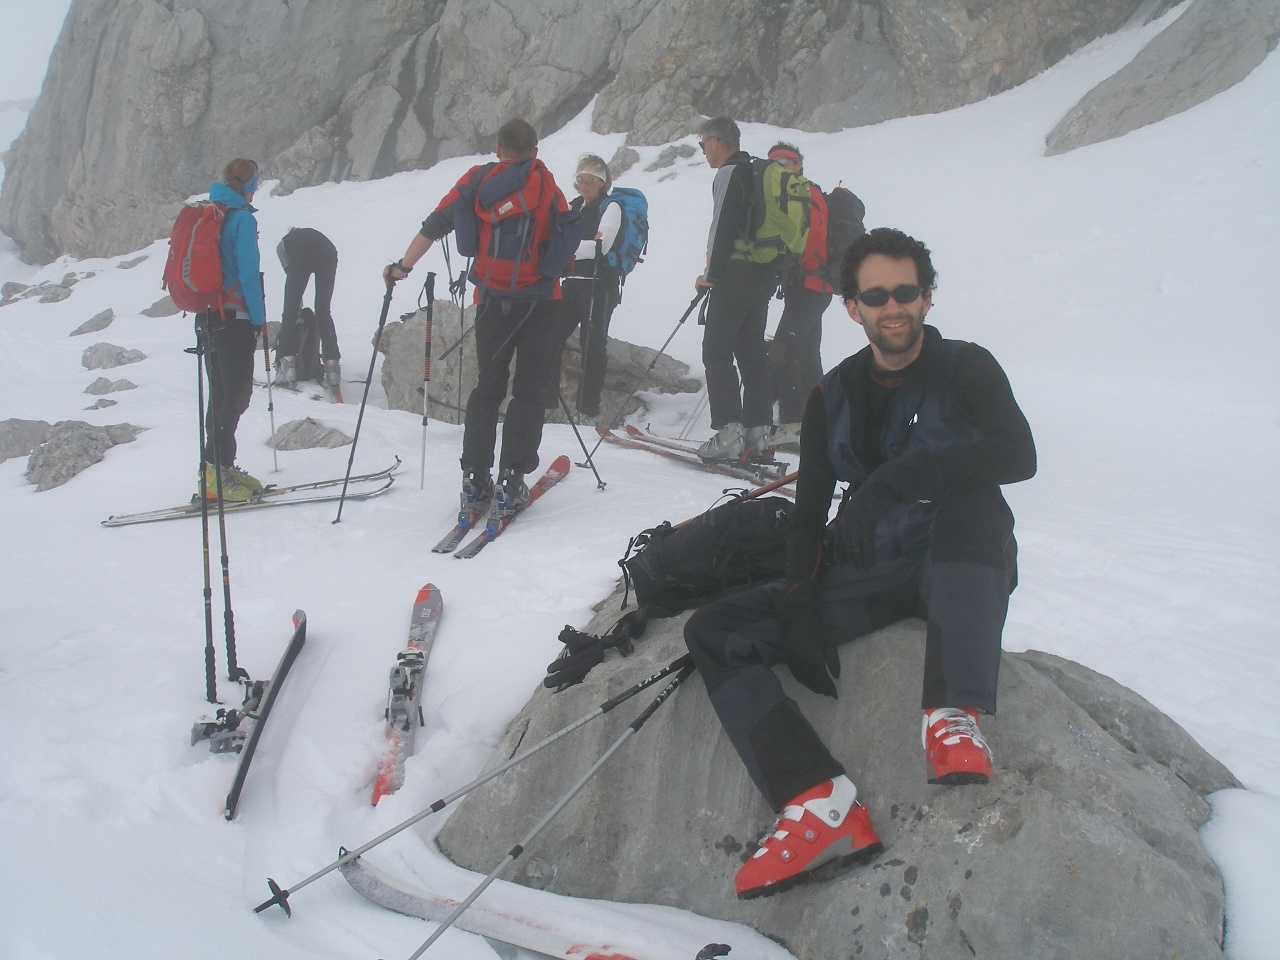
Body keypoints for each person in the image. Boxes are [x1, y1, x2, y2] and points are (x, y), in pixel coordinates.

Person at [683, 227, 1036, 900]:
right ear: (852, 307)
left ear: (927, 298)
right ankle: (817, 802)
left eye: (906, 292)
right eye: (876, 295)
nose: (892, 306)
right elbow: (811, 510)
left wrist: (908, 475)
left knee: (975, 501)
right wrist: (800, 599)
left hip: (956, 565)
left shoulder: (968, 368)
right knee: (714, 632)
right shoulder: (831, 395)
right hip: (872, 569)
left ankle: (953, 713)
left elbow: (1019, 455)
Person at [383, 118, 579, 522]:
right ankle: (510, 482)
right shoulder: (547, 185)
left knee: (487, 388)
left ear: (497, 149)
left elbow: (435, 225)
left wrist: (402, 267)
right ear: (535, 151)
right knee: (527, 391)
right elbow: (564, 243)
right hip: (541, 303)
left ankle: (474, 480)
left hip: (492, 302)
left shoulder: (476, 180)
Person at [694, 117, 779, 463]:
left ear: (716, 141)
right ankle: (758, 434)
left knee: (717, 350)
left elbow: (723, 226)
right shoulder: (756, 172)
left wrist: (709, 275)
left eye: (702, 145)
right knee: (751, 351)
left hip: (735, 274)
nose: (703, 153)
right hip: (763, 274)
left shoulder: (730, 173)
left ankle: (729, 433)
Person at [198, 158, 267, 502]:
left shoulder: (212, 212)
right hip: (234, 319)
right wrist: (258, 318)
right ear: (250, 184)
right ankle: (214, 474)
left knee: (222, 397)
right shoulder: (240, 219)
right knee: (236, 396)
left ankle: (217, 471)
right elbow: (248, 273)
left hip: (207, 317)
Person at [542, 154, 622, 421]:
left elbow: (601, 248)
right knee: (550, 338)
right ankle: (547, 402)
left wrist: (568, 247)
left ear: (602, 182)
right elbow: (579, 245)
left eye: (590, 179)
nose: (584, 184)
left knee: (593, 345)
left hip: (600, 286)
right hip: (572, 283)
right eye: (581, 179)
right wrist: (581, 246)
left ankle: (587, 411)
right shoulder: (574, 207)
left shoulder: (611, 208)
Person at [767, 142, 832, 447]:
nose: (779, 166)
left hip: (810, 287)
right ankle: (818, 425)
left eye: (785, 160)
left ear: (797, 164)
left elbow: (814, 235)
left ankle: (794, 425)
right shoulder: (792, 194)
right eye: (773, 162)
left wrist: (788, 259)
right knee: (807, 356)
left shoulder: (807, 192)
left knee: (782, 354)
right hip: (808, 288)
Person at [274, 227, 341, 395]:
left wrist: (296, 304)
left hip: (303, 253)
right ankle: (332, 365)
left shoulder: (283, 244)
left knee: (289, 311)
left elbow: (290, 272)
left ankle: (286, 363)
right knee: (323, 311)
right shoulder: (312, 236)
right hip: (329, 252)